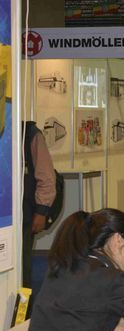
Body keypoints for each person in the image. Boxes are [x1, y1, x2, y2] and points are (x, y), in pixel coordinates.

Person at [21, 120, 56, 288]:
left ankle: (24, 302)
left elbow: (46, 176)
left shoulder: (29, 133)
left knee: (21, 263)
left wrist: (41, 211)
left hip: (23, 214)